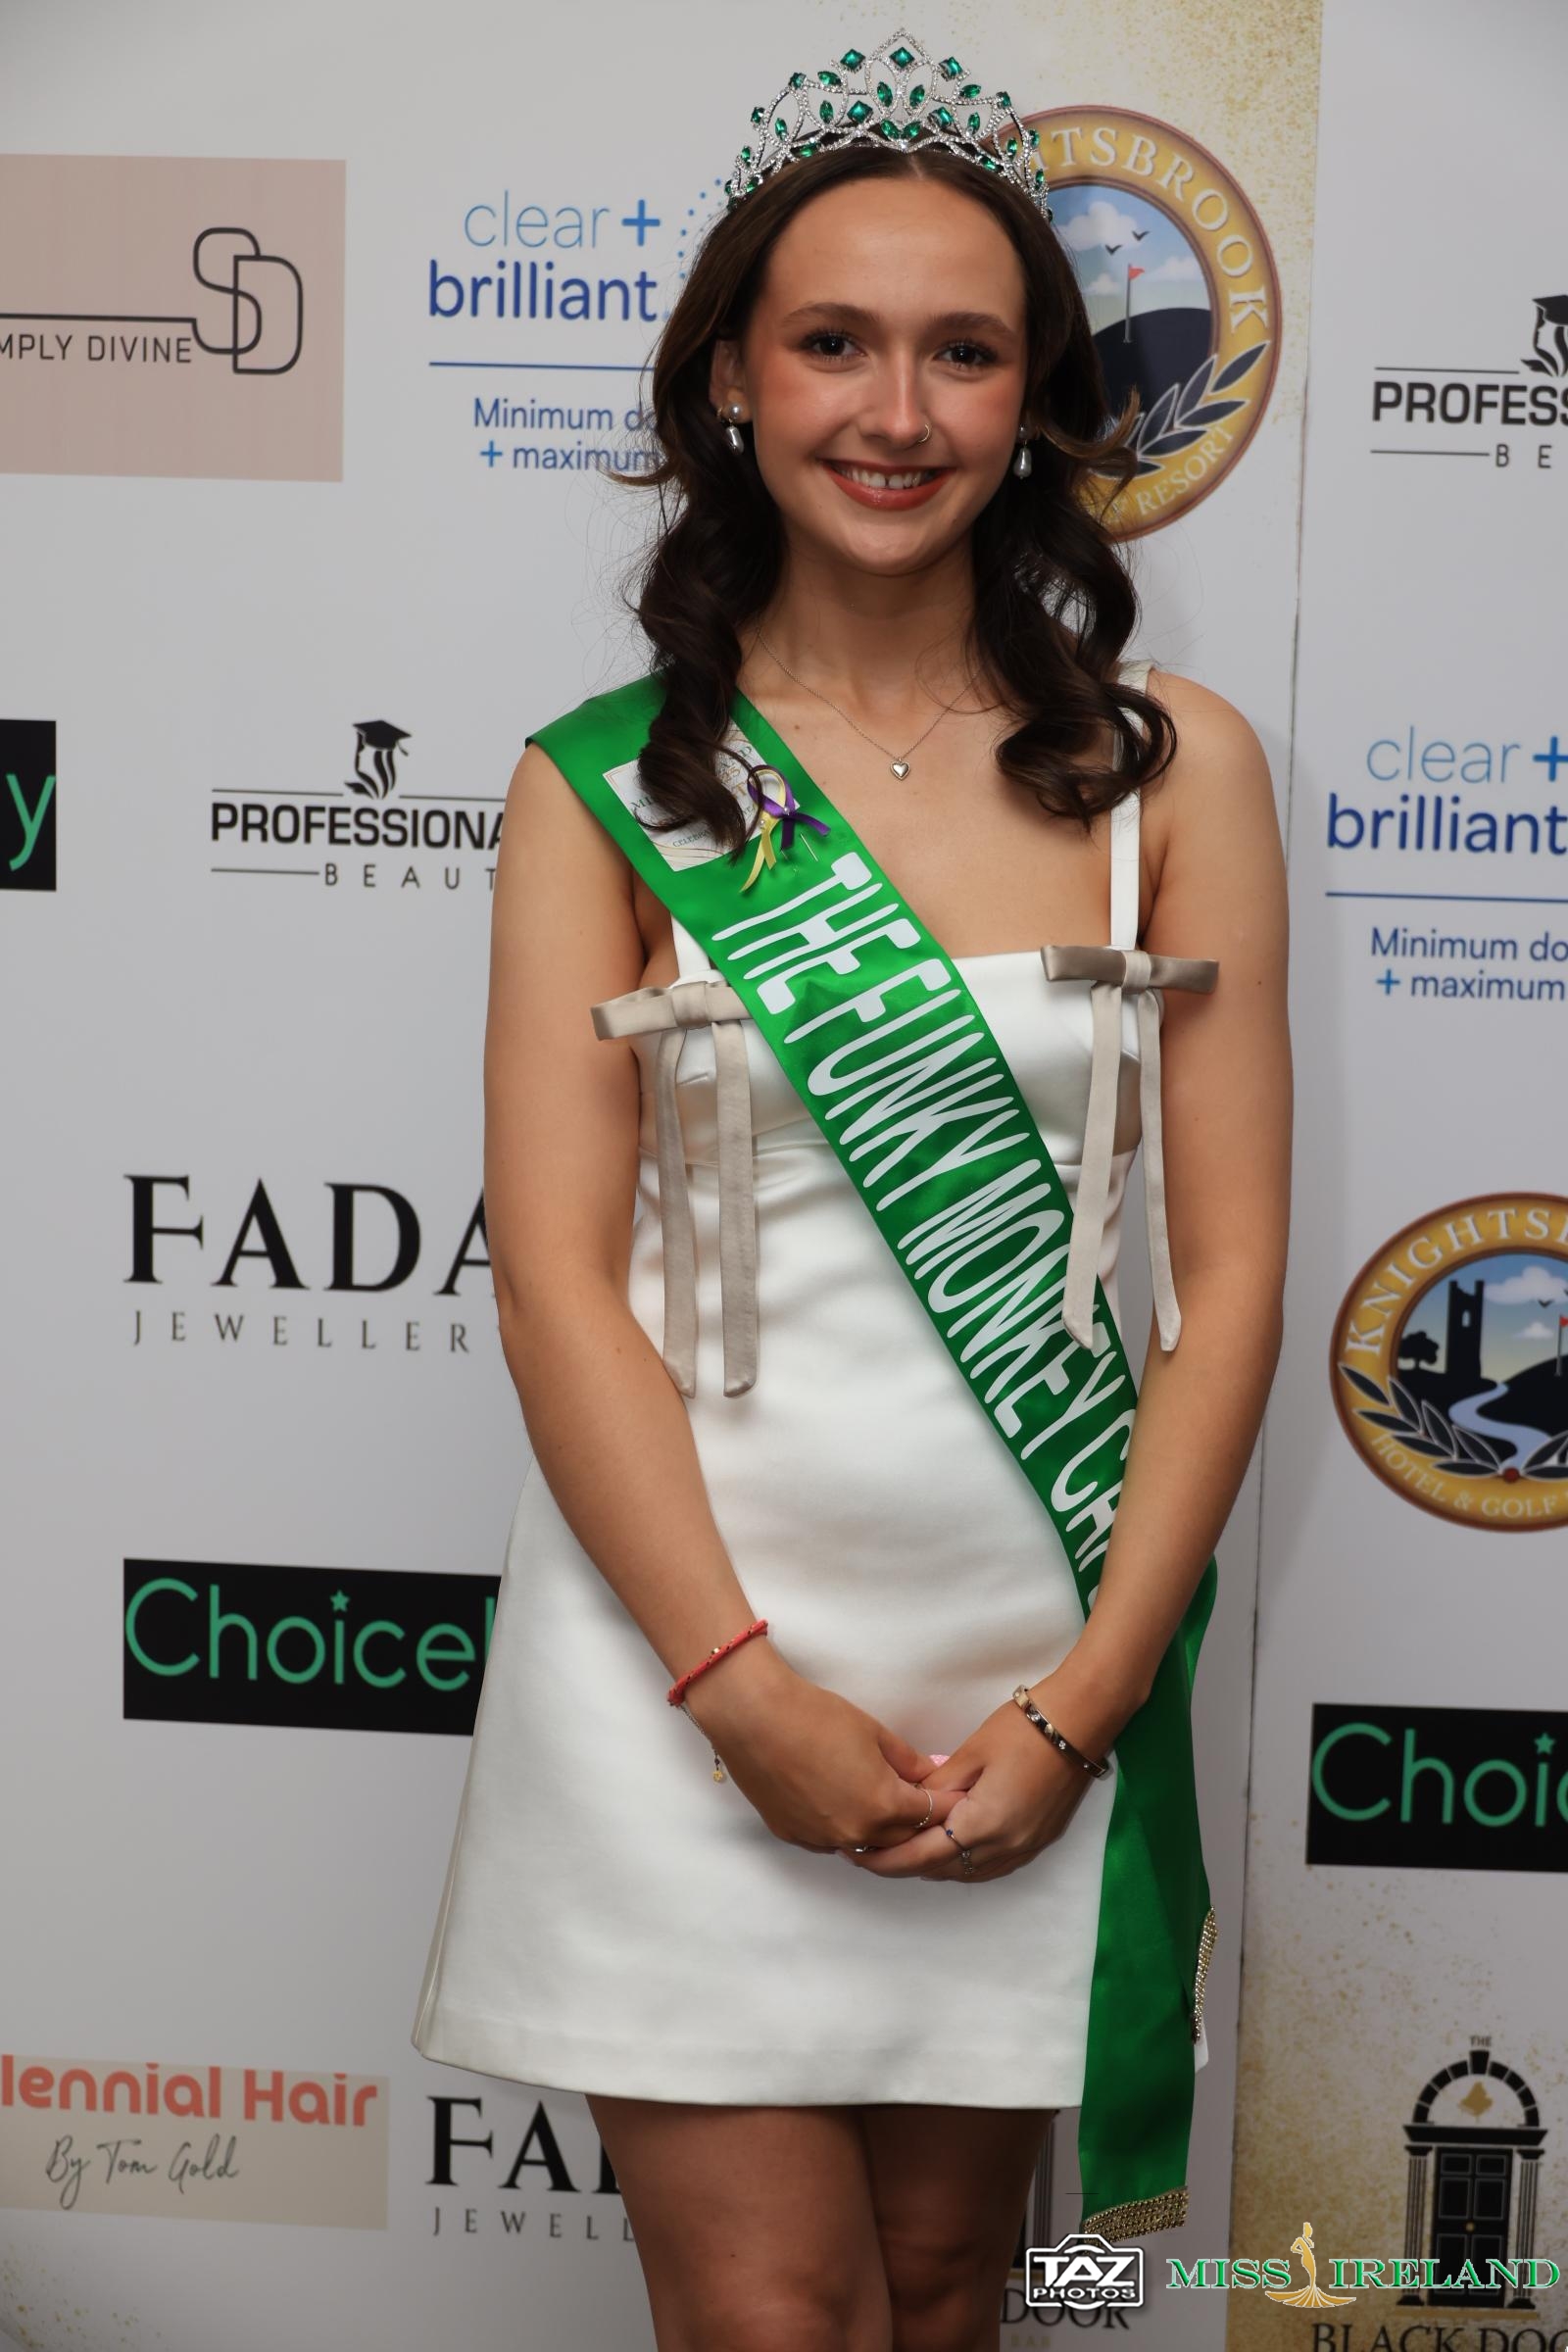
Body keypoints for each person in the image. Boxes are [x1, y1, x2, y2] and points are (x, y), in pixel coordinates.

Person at [413, 29, 1290, 2350]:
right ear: (731, 378)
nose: (894, 411)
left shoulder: (1171, 773)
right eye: (831, 342)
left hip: (1027, 1649)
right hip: (684, 1650)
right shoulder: (607, 788)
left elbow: (1224, 1280)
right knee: (776, 2316)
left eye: (961, 351)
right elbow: (556, 1290)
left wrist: (1085, 1702)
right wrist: (733, 1690)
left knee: (937, 2297)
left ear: (1035, 400)